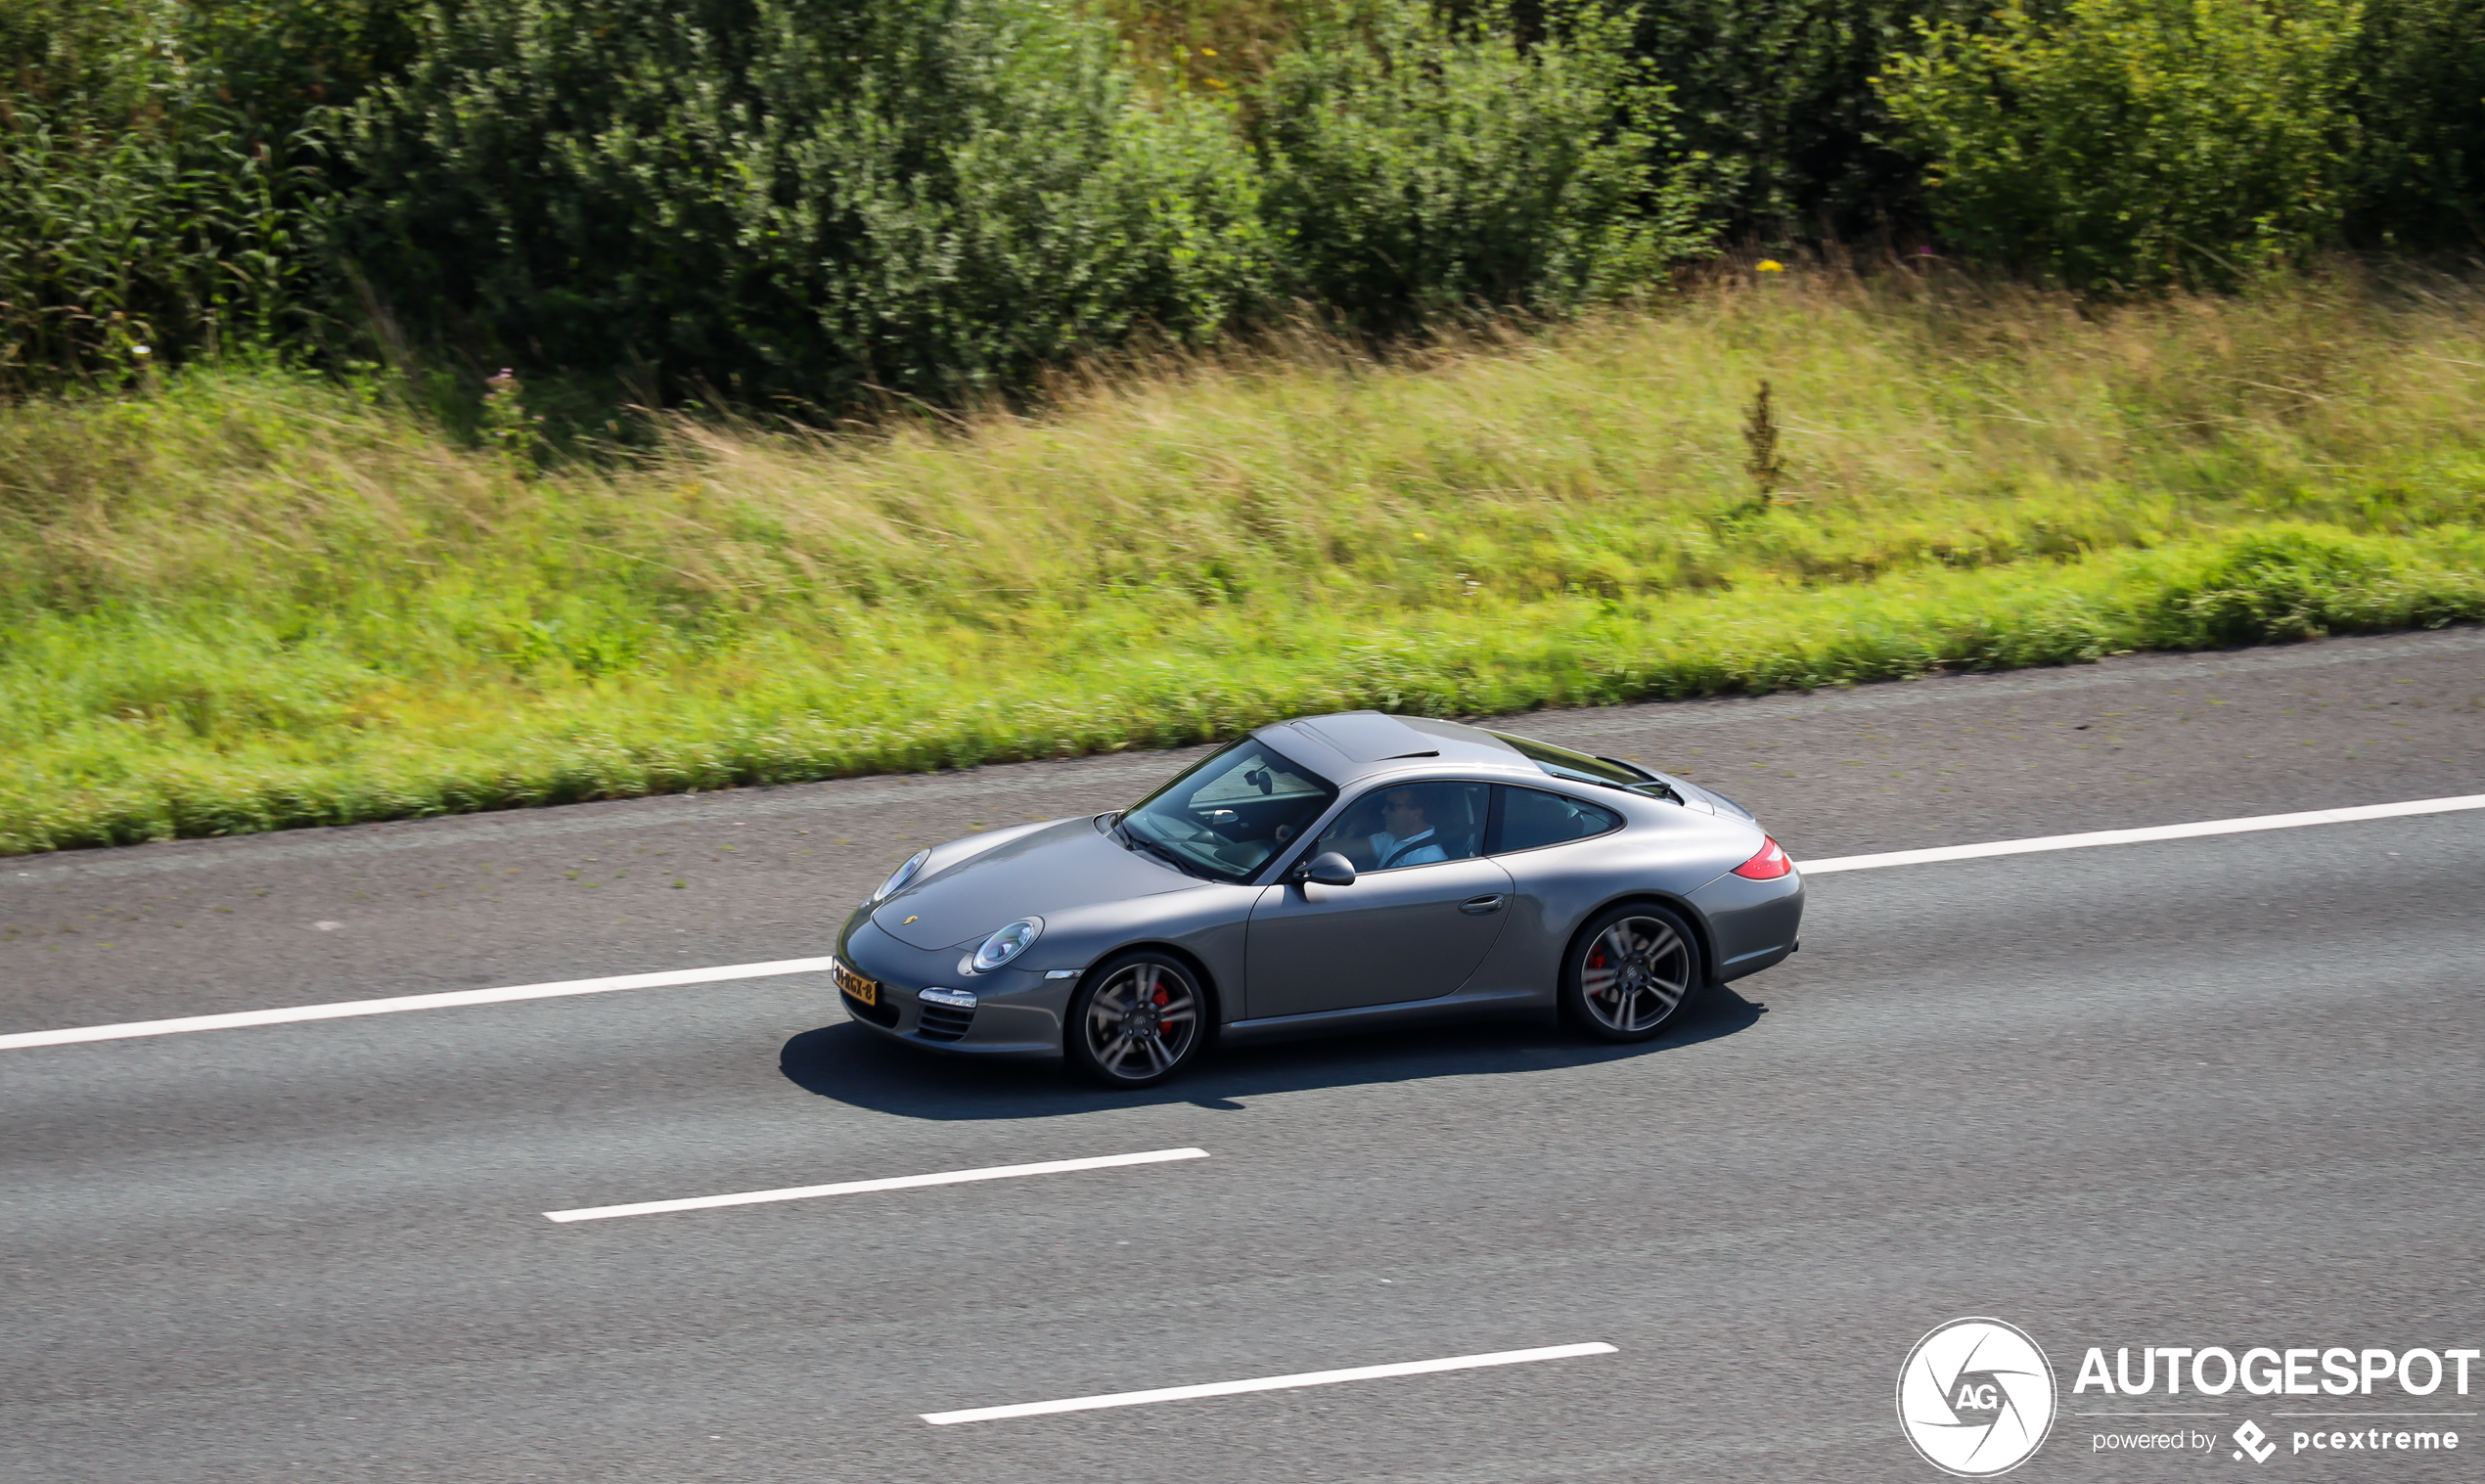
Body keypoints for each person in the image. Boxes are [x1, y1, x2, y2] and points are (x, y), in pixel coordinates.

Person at [1362, 786, 1447, 869]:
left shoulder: (1428, 857)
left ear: (1416, 814)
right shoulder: (1392, 837)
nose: (1384, 811)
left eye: (1391, 806)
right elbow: (1352, 849)